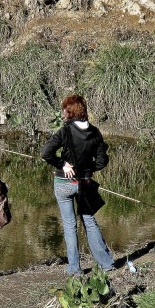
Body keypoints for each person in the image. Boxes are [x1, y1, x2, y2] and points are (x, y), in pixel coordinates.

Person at [41, 95, 115, 276]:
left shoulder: (65, 131)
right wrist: (88, 170)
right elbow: (102, 161)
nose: (63, 112)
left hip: (64, 184)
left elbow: (46, 153)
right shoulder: (95, 132)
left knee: (69, 225)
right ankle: (106, 264)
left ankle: (75, 269)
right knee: (90, 222)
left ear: (70, 112)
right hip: (84, 183)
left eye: (64, 109)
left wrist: (62, 165)